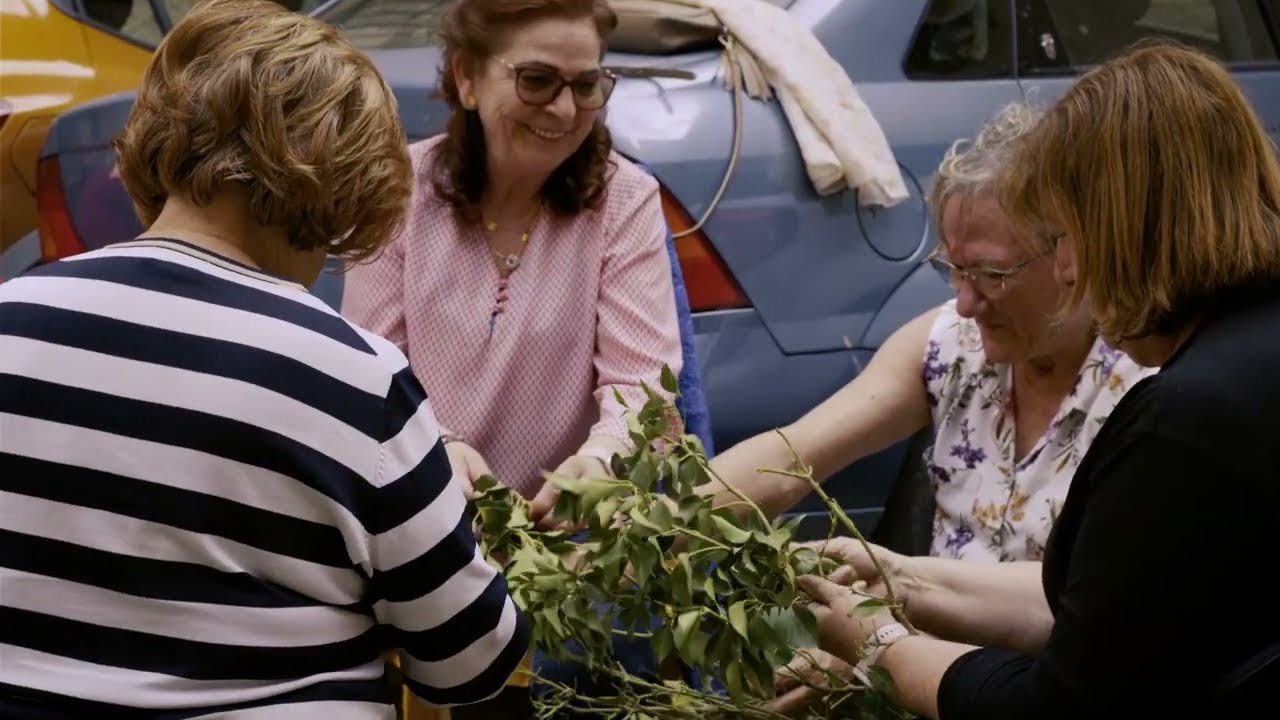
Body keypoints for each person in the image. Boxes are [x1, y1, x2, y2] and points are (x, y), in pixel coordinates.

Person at [0, 1, 529, 718]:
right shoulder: (352, 380)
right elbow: (468, 664)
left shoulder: (14, 316)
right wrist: (443, 513)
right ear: (345, 180)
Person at [797, 40, 1280, 720]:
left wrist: (879, 648)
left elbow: (1063, 702)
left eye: (1071, 236)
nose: (1067, 271)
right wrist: (900, 577)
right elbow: (1098, 612)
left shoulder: (1185, 422)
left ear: (1130, 227)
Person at [339, 0, 683, 716]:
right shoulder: (399, 193)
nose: (564, 108)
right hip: (425, 552)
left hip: (568, 569)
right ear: (467, 79)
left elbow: (644, 385)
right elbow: (370, 377)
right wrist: (438, 449)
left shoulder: (623, 201)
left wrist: (601, 460)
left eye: (586, 85)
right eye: (536, 80)